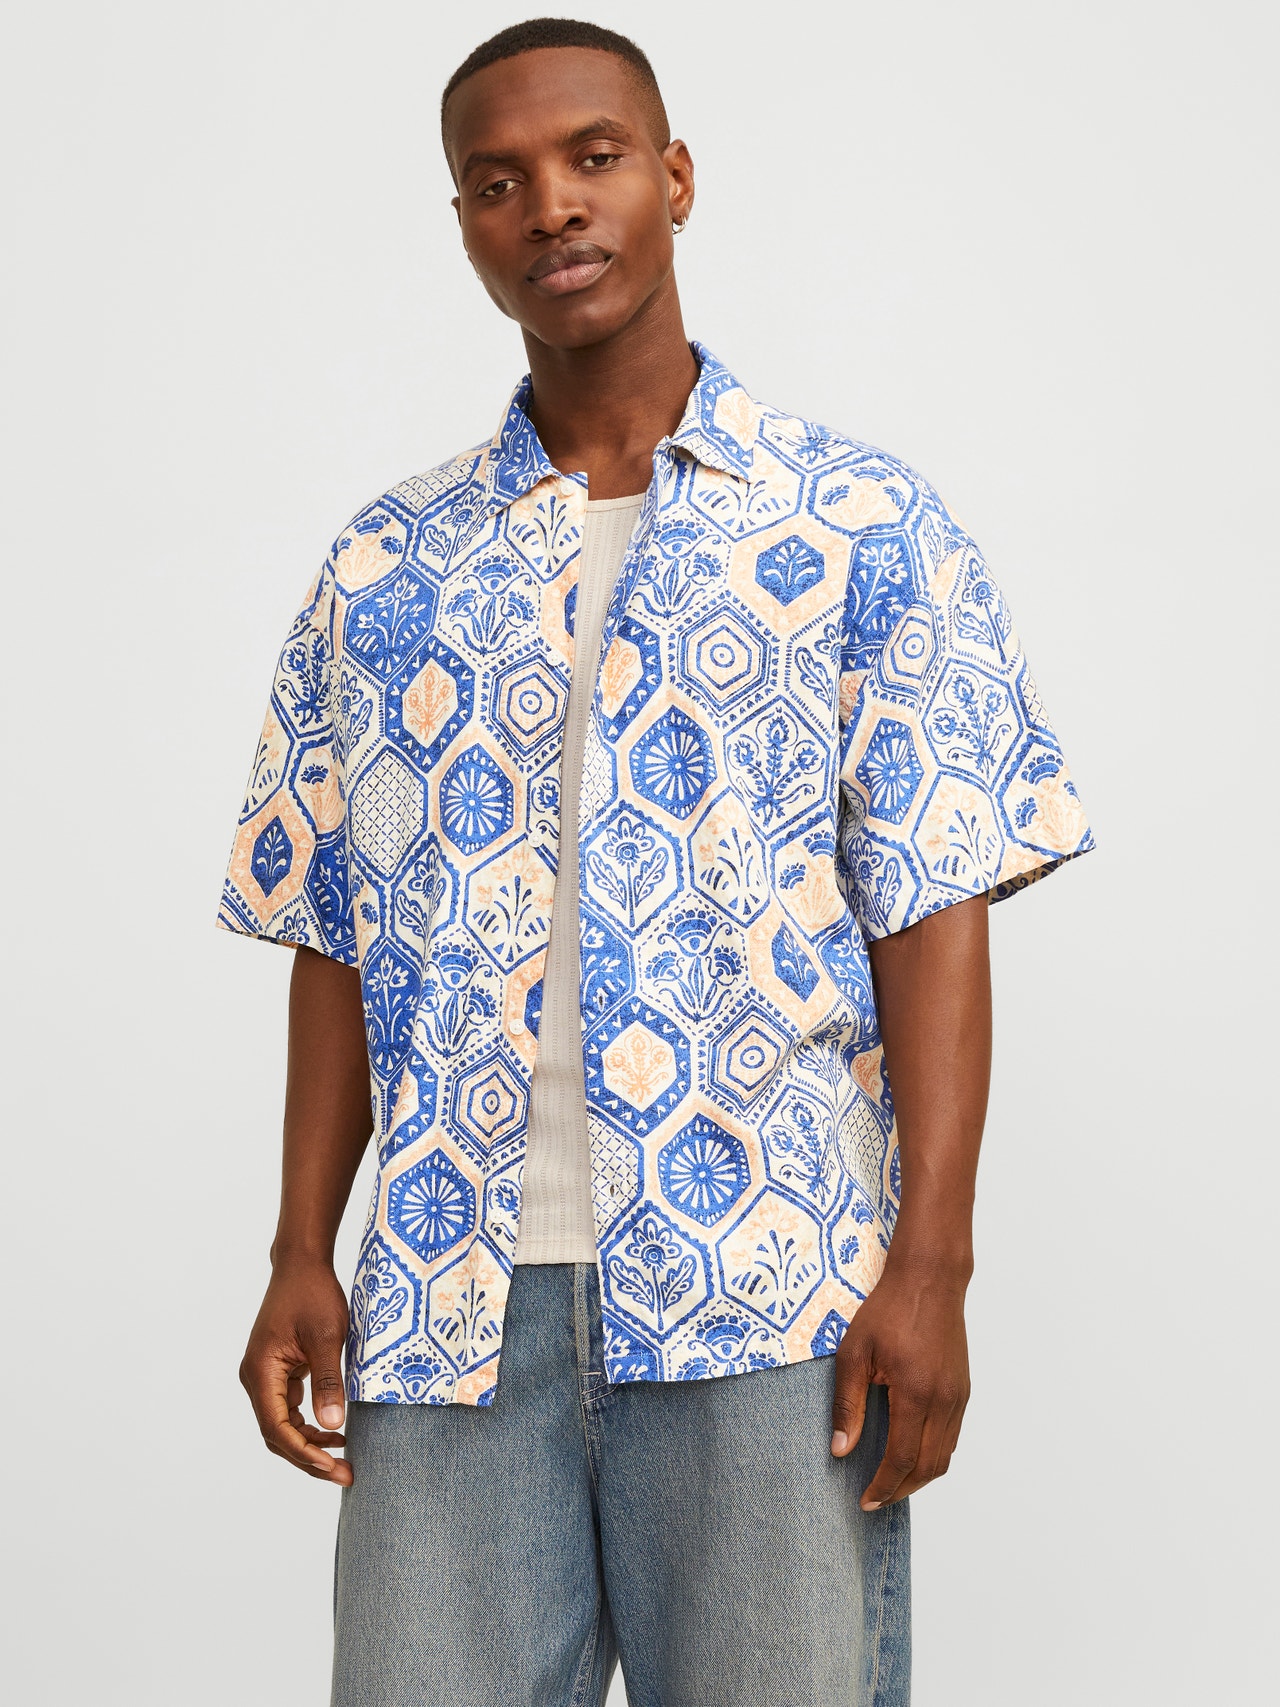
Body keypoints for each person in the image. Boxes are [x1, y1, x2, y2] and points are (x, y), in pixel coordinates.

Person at [216, 18, 1094, 1706]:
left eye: (593, 157)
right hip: (449, 1304)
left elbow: (934, 904)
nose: (550, 205)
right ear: (463, 226)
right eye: (497, 182)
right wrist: (298, 1248)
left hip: (769, 1290)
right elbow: (334, 928)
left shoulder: (858, 526)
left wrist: (933, 1266)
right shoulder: (383, 568)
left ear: (674, 177)